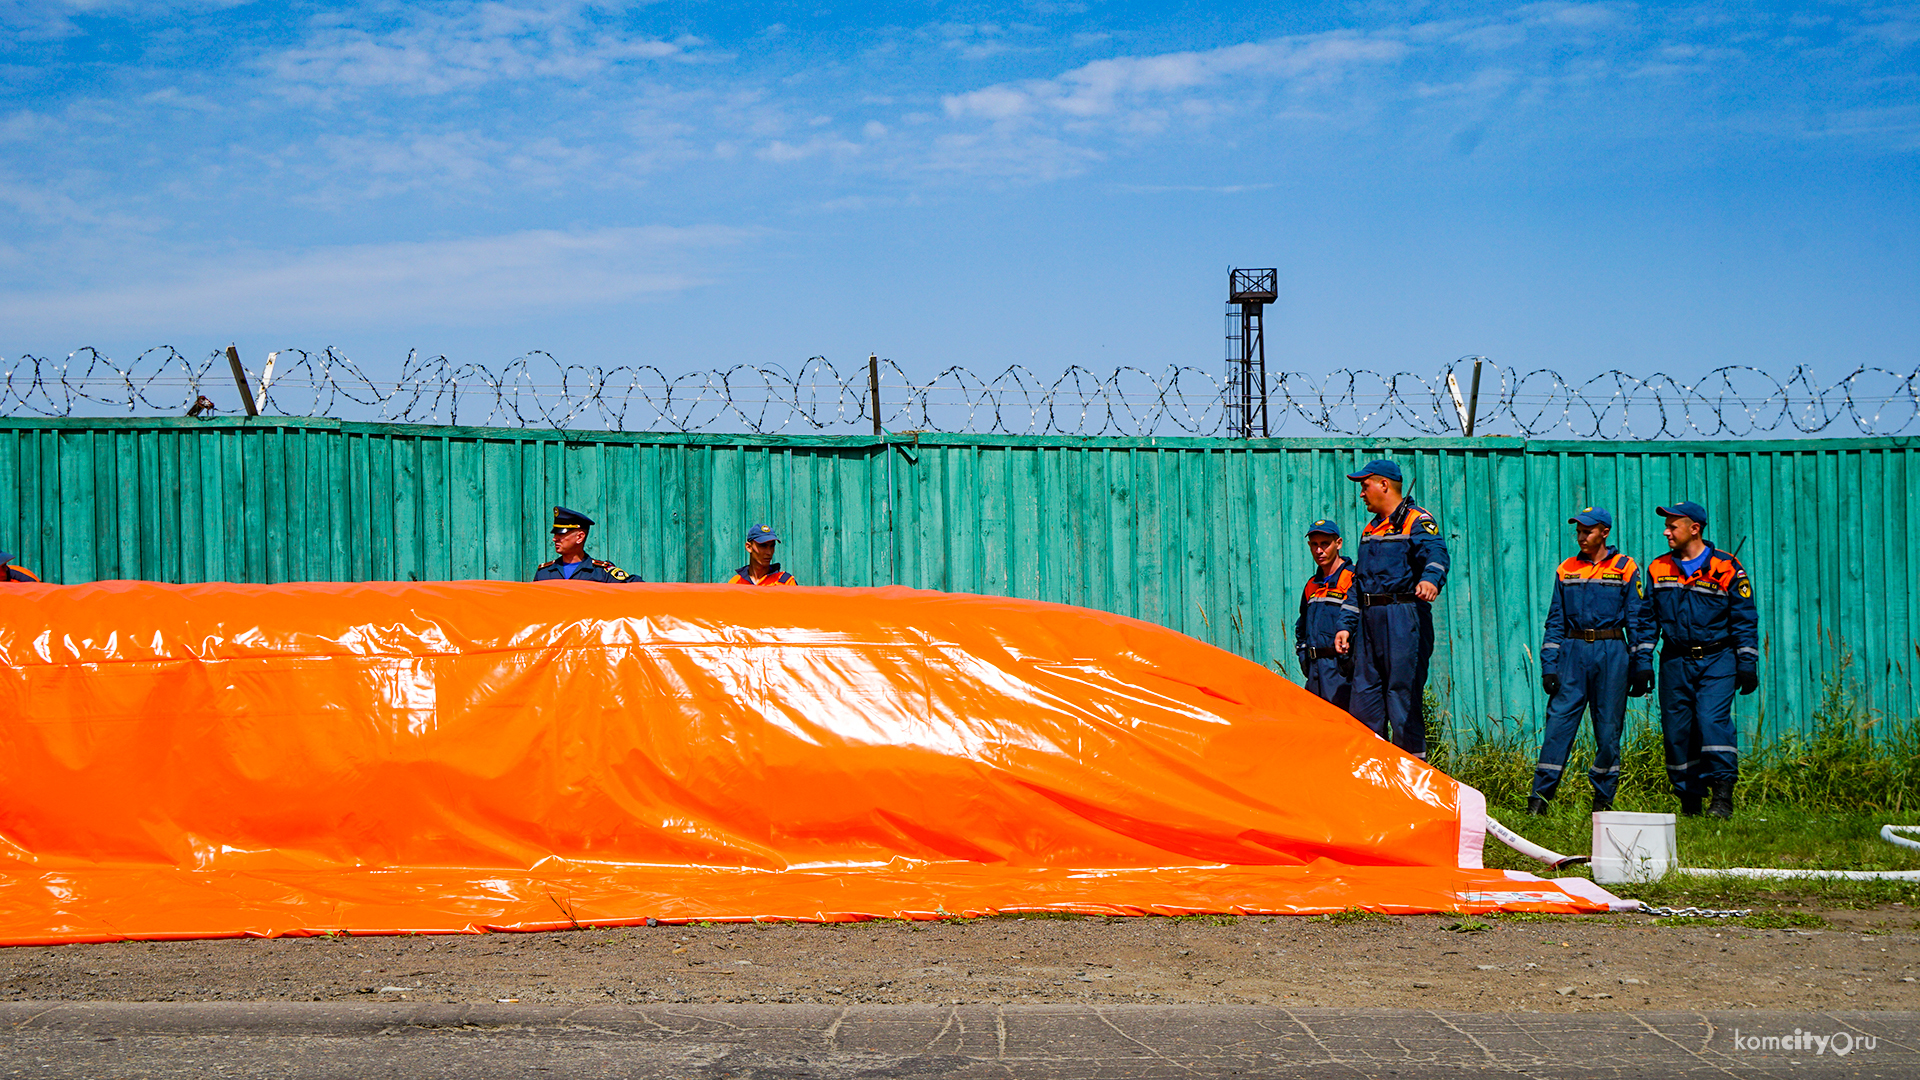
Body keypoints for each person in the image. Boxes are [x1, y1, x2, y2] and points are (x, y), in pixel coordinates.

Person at [1529, 507, 1655, 816]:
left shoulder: (1626, 568)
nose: (1582, 537)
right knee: (1558, 725)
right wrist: (1549, 666)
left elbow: (1637, 619)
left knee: (1608, 731)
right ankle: (1538, 802)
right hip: (1572, 653)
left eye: (1588, 531)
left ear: (1604, 532)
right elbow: (1555, 621)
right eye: (1579, 532)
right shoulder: (1566, 569)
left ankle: (1602, 803)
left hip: (1612, 652)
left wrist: (1641, 664)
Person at [1647, 500, 1758, 819]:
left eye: (1673, 525)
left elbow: (1744, 617)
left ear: (1694, 528)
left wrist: (1746, 662)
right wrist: (1641, 662)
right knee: (1677, 732)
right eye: (1666, 526)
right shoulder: (1658, 568)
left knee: (1712, 722)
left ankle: (1722, 797)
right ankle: (1689, 800)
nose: (1666, 531)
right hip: (1674, 661)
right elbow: (1647, 620)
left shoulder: (1727, 567)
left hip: (1717, 659)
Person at [1345, 460, 1449, 759]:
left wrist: (1431, 580)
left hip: (1402, 619)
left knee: (1402, 701)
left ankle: (1412, 781)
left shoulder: (1417, 520)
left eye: (1365, 486)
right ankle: (1372, 782)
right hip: (1369, 623)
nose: (1362, 494)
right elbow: (1358, 582)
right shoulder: (1371, 528)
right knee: (1364, 702)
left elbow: (1436, 553)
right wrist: (1345, 624)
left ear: (1384, 485)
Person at [1295, 519, 1359, 710]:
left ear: (1338, 543)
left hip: (1343, 674)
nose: (1319, 550)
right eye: (1314, 545)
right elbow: (1302, 627)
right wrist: (1303, 656)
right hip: (1315, 674)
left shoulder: (1353, 579)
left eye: (1325, 544)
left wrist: (1349, 664)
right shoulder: (1311, 585)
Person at [532, 506, 641, 583]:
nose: (554, 539)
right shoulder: (544, 573)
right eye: (555, 534)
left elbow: (637, 588)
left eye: (561, 534)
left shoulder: (601, 573)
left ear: (580, 537)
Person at [726, 524, 798, 586]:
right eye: (763, 546)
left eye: (772, 546)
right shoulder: (736, 583)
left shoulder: (785, 582)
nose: (769, 552)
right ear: (749, 547)